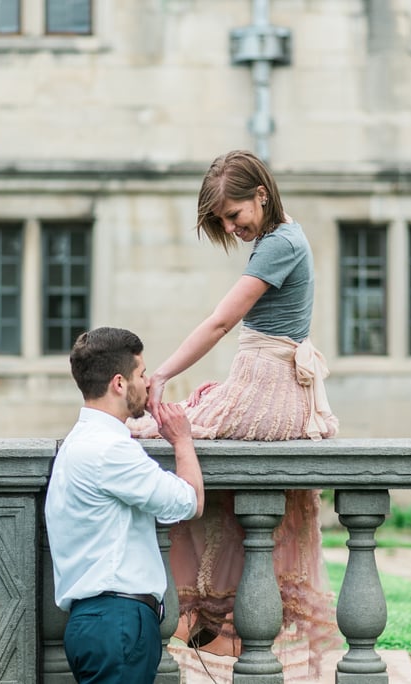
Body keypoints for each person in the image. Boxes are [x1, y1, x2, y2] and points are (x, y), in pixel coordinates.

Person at [128, 150, 341, 679]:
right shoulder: (282, 237)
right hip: (265, 386)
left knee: (150, 435)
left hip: (268, 392)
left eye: (234, 214)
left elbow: (221, 323)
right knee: (180, 436)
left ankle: (197, 607)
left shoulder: (281, 243)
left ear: (261, 196)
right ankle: (213, 613)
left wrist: (159, 376)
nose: (230, 226)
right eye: (222, 220)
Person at [45, 326, 205, 684]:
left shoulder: (81, 441)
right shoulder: (110, 449)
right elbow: (188, 501)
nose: (148, 384)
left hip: (99, 623)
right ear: (119, 383)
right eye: (142, 374)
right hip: (117, 624)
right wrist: (182, 441)